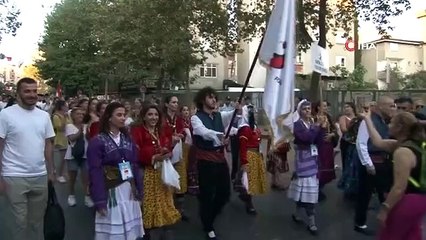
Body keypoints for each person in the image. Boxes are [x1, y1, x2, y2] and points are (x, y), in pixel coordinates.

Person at [0, 77, 56, 240]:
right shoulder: (5, 115)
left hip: (40, 176)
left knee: (36, 223)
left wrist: (51, 170)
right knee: (19, 222)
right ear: (18, 94)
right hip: (14, 176)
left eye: (34, 91)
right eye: (27, 91)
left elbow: (48, 144)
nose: (32, 95)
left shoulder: (44, 116)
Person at [362, 111, 426, 240]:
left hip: (407, 201)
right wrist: (367, 119)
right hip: (420, 200)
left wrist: (385, 209)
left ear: (400, 127)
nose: (388, 125)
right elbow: (377, 142)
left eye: (391, 123)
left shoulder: (402, 152)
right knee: (411, 234)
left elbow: (399, 187)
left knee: (390, 235)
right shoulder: (411, 145)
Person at [87, 102, 144, 239]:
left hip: (129, 189)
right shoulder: (97, 141)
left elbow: (135, 164)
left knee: (129, 231)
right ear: (108, 117)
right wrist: (100, 200)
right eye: (119, 115)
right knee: (113, 231)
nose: (123, 118)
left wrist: (139, 190)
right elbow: (95, 171)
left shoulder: (128, 139)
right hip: (111, 190)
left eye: (124, 115)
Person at [191, 87, 240, 239]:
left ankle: (208, 217)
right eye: (210, 97)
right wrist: (220, 137)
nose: (213, 100)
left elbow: (230, 116)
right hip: (205, 161)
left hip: (220, 159)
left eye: (214, 97)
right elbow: (202, 132)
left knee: (224, 193)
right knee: (207, 194)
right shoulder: (196, 118)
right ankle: (208, 225)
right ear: (202, 100)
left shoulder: (219, 115)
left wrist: (237, 109)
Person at [131, 104, 180, 240]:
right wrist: (154, 156)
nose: (154, 117)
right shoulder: (138, 131)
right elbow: (136, 152)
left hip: (161, 171)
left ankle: (162, 226)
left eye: (156, 115)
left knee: (163, 199)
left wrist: (168, 151)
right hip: (146, 172)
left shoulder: (161, 130)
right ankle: (147, 231)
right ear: (144, 116)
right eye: (150, 114)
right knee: (148, 201)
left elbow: (167, 145)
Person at [354, 96, 395, 235]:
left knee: (384, 193)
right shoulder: (368, 121)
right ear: (380, 106)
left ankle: (388, 223)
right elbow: (361, 144)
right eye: (390, 106)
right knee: (364, 195)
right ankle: (359, 223)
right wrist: (368, 164)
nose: (393, 108)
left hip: (383, 162)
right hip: (372, 162)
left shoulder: (385, 121)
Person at [287, 100, 326, 235]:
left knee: (305, 192)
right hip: (303, 161)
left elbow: (318, 140)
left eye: (309, 108)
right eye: (304, 109)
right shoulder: (297, 125)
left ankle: (297, 214)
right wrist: (317, 126)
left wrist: (323, 128)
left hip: (313, 159)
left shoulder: (311, 123)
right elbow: (306, 138)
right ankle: (312, 222)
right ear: (299, 111)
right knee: (307, 192)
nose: (308, 111)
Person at [236, 104, 268, 215]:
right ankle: (249, 204)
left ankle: (245, 197)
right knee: (248, 182)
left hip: (255, 156)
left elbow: (258, 139)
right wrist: (244, 162)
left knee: (252, 182)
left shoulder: (253, 126)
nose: (254, 114)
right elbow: (243, 147)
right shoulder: (245, 128)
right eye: (251, 112)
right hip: (249, 156)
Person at [65, 107, 93, 207]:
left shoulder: (86, 126)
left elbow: (90, 139)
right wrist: (80, 131)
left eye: (82, 114)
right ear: (72, 116)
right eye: (78, 114)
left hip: (85, 155)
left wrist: (89, 130)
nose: (80, 116)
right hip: (73, 156)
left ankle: (87, 196)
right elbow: (71, 139)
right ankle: (71, 195)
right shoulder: (69, 126)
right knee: (72, 177)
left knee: (86, 178)